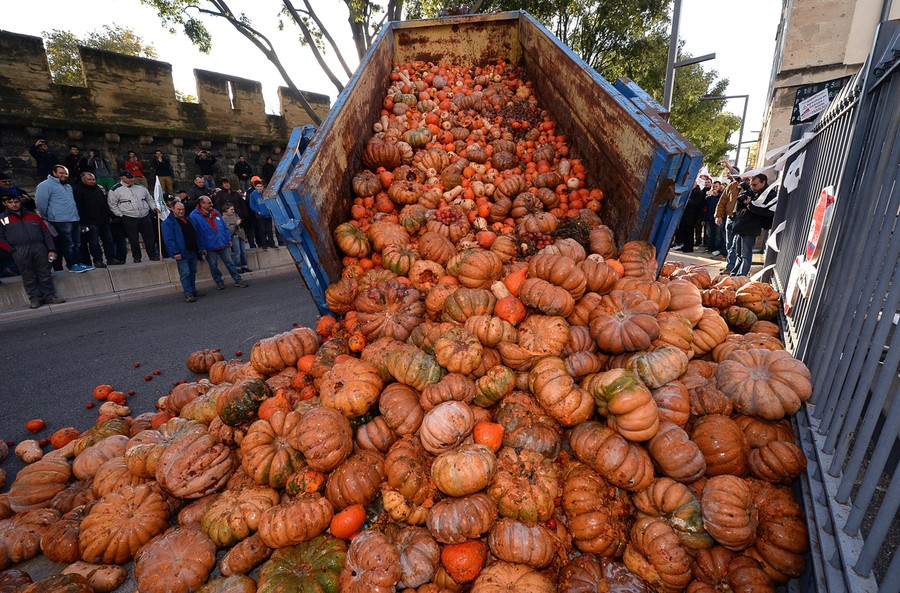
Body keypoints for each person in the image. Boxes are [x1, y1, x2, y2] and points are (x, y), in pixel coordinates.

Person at [0, 193, 66, 308]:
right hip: (19, 250)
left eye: (16, 202)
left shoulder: (33, 216)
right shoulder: (2, 219)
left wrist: (51, 249)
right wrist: (11, 251)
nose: (14, 205)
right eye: (10, 202)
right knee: (28, 275)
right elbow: (1, 238)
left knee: (44, 273)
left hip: (39, 248)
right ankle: (35, 298)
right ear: (4, 204)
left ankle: (49, 296)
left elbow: (46, 233)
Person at [35, 165, 93, 273]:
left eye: (66, 173)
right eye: (61, 173)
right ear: (54, 172)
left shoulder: (67, 186)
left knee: (77, 243)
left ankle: (78, 263)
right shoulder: (45, 185)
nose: (64, 175)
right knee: (68, 243)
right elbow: (40, 203)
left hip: (74, 218)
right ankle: (72, 264)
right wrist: (48, 216)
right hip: (60, 220)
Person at [189, 196, 248, 290]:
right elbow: (196, 233)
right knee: (213, 266)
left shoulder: (215, 212)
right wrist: (201, 247)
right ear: (202, 204)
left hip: (222, 243)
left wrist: (228, 239)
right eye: (209, 203)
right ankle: (219, 282)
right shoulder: (194, 216)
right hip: (209, 246)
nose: (211, 204)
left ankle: (238, 280)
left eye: (211, 202)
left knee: (230, 263)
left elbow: (224, 227)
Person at [107, 171, 160, 263]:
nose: (131, 180)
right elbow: (112, 204)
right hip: (129, 216)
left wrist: (154, 207)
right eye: (128, 178)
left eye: (132, 178)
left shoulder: (140, 187)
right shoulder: (115, 190)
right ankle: (137, 257)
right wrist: (120, 214)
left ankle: (152, 255)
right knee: (133, 238)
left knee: (149, 236)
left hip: (144, 215)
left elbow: (149, 199)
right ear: (122, 178)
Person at [731, 173, 777, 276]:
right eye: (751, 184)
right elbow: (742, 207)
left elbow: (767, 212)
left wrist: (750, 204)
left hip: (751, 227)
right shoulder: (751, 192)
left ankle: (741, 276)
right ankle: (734, 274)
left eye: (755, 185)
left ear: (763, 183)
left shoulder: (770, 195)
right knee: (738, 253)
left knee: (745, 255)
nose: (752, 187)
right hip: (742, 225)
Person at [74, 172, 121, 267]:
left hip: (103, 220)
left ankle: (111, 258)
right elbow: (79, 207)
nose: (92, 181)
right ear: (83, 180)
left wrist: (109, 216)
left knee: (108, 240)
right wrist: (83, 222)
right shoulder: (78, 190)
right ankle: (97, 260)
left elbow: (104, 203)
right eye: (89, 180)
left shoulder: (98, 188)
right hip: (90, 221)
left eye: (93, 179)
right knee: (94, 242)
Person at [161, 201, 205, 302]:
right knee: (185, 273)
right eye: (179, 209)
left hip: (193, 250)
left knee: (193, 272)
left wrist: (201, 248)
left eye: (183, 209)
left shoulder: (188, 219)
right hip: (182, 253)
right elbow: (169, 239)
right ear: (172, 209)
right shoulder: (168, 223)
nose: (181, 211)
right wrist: (175, 252)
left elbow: (196, 234)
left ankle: (193, 290)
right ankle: (188, 293)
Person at [715, 165, 743, 273]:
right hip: (729, 218)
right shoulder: (731, 186)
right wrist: (718, 215)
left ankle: (732, 267)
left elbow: (736, 175)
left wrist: (728, 166)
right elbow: (722, 202)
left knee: (734, 246)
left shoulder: (746, 186)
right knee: (729, 244)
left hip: (740, 220)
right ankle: (730, 265)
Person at [674, 178, 706, 253]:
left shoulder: (698, 192)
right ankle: (685, 245)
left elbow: (696, 203)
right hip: (686, 215)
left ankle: (689, 247)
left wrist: (686, 200)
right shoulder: (690, 192)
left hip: (692, 215)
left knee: (689, 232)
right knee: (684, 231)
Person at [222, 203, 251, 274]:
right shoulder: (224, 218)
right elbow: (227, 229)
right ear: (226, 209)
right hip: (234, 236)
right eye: (231, 209)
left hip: (240, 234)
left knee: (243, 252)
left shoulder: (236, 215)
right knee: (237, 253)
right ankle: (238, 267)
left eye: (233, 209)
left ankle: (244, 265)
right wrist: (235, 224)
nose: (233, 211)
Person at [249, 178, 276, 249]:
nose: (259, 188)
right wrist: (258, 211)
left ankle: (272, 243)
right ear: (255, 187)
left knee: (270, 230)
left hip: (268, 214)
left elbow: (270, 201)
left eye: (261, 186)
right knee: (262, 230)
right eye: (258, 186)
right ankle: (264, 244)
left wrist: (270, 210)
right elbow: (252, 205)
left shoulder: (266, 192)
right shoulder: (253, 194)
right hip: (260, 215)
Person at [705, 180, 724, 255]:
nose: (715, 188)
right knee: (709, 233)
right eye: (714, 186)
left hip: (718, 217)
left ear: (720, 187)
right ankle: (710, 248)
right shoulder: (709, 196)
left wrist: (718, 195)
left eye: (716, 186)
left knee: (718, 234)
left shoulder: (722, 196)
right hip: (709, 218)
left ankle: (717, 249)